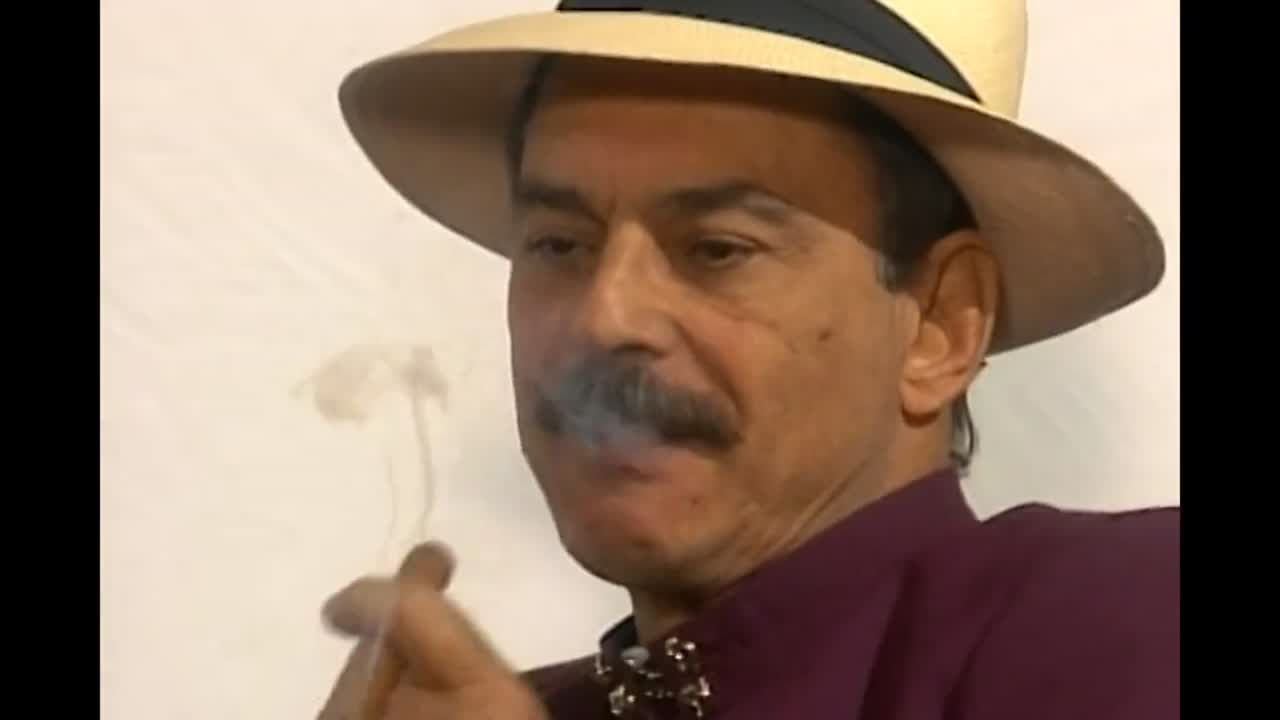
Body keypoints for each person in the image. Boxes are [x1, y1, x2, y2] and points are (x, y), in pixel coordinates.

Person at [317, 1, 1179, 718]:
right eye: (558, 244)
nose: (603, 318)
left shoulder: (1128, 609)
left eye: (718, 249)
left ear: (940, 325)